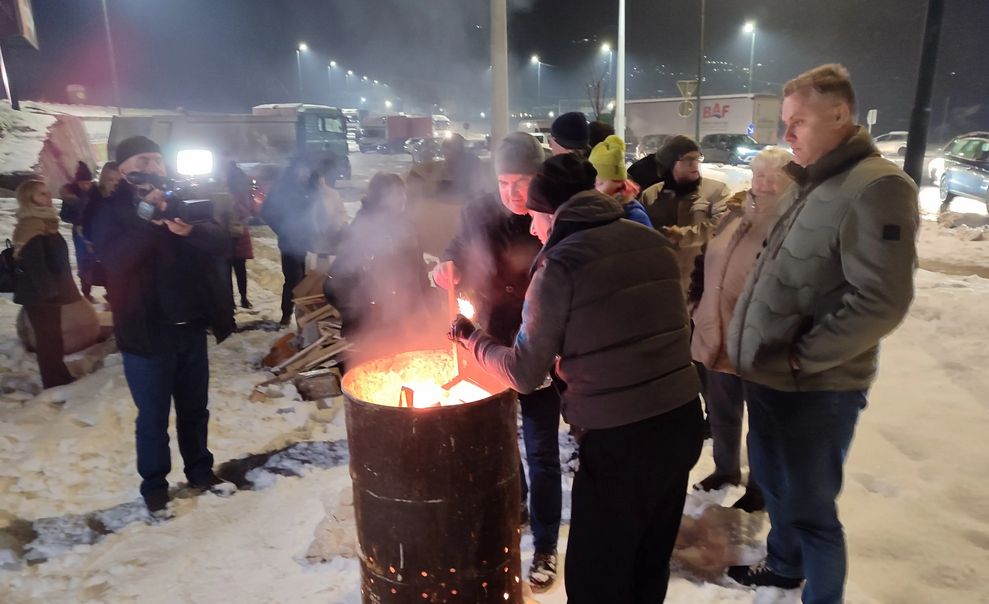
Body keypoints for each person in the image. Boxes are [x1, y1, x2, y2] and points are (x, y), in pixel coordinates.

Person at [450, 153, 702, 604]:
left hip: (620, 439)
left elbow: (524, 373)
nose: (531, 230)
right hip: (681, 421)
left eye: (534, 218)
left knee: (595, 578)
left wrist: (472, 339)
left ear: (552, 214)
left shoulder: (560, 266)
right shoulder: (651, 240)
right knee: (647, 561)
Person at [725, 64, 919, 603]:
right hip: (769, 377)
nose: (786, 135)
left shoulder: (876, 188)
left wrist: (802, 358)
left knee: (812, 511)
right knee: (778, 492)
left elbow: (881, 300)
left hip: (817, 389)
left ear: (839, 115)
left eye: (798, 122)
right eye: (785, 122)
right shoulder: (809, 183)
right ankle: (785, 568)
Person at [433, 132, 563, 592]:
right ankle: (520, 503)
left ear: (539, 176)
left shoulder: (552, 212)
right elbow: (455, 250)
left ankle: (546, 543)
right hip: (488, 344)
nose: (513, 194)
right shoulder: (479, 212)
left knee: (542, 449)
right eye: (505, 182)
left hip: (540, 349)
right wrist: (446, 266)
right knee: (503, 441)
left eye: (522, 182)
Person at [88, 135, 235, 515]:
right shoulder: (108, 208)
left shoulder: (183, 199)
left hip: (189, 327)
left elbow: (221, 241)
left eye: (157, 159)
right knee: (153, 417)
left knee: (194, 409)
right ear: (122, 169)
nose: (152, 166)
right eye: (143, 159)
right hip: (146, 332)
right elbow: (115, 262)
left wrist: (190, 231)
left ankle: (201, 471)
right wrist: (149, 221)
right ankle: (155, 488)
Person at [686, 147, 793, 512]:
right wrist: (694, 302)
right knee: (722, 411)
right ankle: (725, 469)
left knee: (763, 422)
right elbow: (705, 257)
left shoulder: (791, 220)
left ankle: (761, 487)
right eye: (759, 174)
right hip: (716, 329)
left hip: (757, 340)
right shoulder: (734, 212)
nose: (763, 182)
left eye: (773, 176)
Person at [324, 173, 429, 338]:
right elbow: (336, 283)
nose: (402, 199)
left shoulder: (406, 226)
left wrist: (429, 304)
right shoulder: (363, 228)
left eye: (403, 193)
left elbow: (418, 270)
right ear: (380, 197)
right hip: (375, 324)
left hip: (406, 317)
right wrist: (358, 313)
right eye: (396, 194)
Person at [634, 136, 732, 295]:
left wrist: (683, 235)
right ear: (671, 163)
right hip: (659, 278)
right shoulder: (651, 194)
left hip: (700, 280)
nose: (695, 163)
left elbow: (721, 227)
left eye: (697, 157)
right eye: (687, 159)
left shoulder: (716, 190)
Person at [12, 179, 79, 389]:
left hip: (48, 291)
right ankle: (54, 381)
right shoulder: (31, 225)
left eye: (47, 192)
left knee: (52, 338)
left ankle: (59, 375)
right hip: (41, 295)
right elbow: (36, 264)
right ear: (28, 199)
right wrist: (50, 294)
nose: (48, 197)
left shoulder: (45, 223)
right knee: (48, 339)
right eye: (41, 194)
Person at [261, 158, 317, 326]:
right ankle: (286, 315)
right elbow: (266, 212)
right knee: (293, 279)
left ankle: (305, 316)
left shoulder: (309, 188)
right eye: (304, 170)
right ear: (295, 171)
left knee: (309, 280)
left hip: (309, 242)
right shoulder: (282, 189)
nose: (307, 174)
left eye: (308, 171)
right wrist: (284, 229)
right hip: (290, 243)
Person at [588, 135, 651, 227]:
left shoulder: (635, 216)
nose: (594, 187)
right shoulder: (595, 208)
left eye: (600, 182)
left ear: (618, 182)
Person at [59, 161, 96, 302]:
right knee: (83, 260)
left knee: (99, 258)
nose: (86, 186)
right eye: (83, 183)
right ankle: (86, 291)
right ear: (77, 182)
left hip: (95, 229)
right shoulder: (71, 196)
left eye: (88, 183)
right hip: (79, 232)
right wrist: (76, 217)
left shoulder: (95, 192)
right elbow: (64, 216)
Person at [225, 160, 255, 309]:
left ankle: (242, 298)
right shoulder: (224, 192)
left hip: (236, 232)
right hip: (227, 234)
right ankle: (233, 301)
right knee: (229, 269)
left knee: (237, 268)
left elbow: (247, 211)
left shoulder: (239, 193)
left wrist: (234, 206)